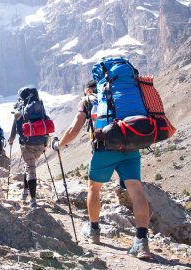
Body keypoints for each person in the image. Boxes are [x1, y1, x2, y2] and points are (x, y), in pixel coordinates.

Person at [51, 79, 152, 259]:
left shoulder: (89, 100)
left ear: (88, 91)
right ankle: (142, 242)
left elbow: (75, 126)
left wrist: (60, 144)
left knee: (94, 187)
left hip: (104, 150)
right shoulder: (123, 96)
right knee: (136, 190)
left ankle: (94, 230)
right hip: (131, 146)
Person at [8, 86, 49, 208]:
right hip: (41, 144)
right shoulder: (40, 108)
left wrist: (11, 140)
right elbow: (46, 122)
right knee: (29, 166)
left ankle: (33, 200)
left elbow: (15, 128)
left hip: (27, 145)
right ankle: (25, 192)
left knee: (31, 169)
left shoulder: (21, 110)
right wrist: (45, 141)